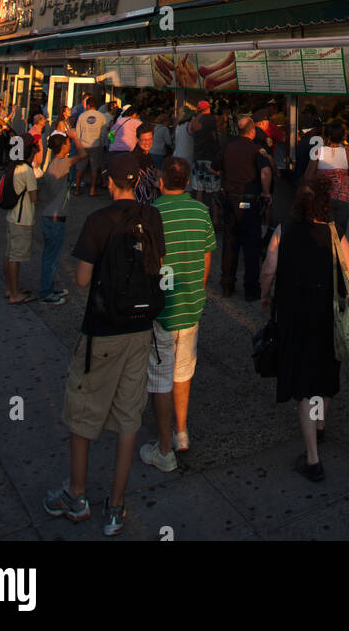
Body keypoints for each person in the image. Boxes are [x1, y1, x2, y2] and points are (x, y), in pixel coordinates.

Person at [44, 153, 165, 536]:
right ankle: (116, 505)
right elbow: (157, 265)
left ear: (110, 183)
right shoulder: (152, 217)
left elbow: (81, 279)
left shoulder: (98, 221)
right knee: (129, 418)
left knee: (82, 412)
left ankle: (77, 495)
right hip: (141, 329)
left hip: (103, 331)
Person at [261, 177, 349, 481]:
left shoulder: (284, 231)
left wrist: (266, 296)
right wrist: (348, 297)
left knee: (303, 381)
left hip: (294, 314)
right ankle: (320, 425)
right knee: (325, 370)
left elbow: (268, 269)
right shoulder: (334, 233)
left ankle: (313, 458)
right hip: (326, 312)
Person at [141, 156, 216, 471]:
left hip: (162, 308)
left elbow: (146, 263)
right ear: (187, 182)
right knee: (183, 370)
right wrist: (197, 291)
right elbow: (206, 255)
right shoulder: (200, 211)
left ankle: (163, 448)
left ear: (160, 181)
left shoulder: (152, 213)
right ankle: (181, 431)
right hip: (191, 304)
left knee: (160, 378)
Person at [218, 115, 272, 300]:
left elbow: (214, 167)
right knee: (251, 247)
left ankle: (227, 285)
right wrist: (266, 193)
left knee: (230, 245)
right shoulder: (257, 150)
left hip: (230, 200)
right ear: (252, 131)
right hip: (250, 201)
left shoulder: (228, 147)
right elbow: (265, 171)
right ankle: (251, 290)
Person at [303, 117, 349, 238]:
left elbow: (307, 177)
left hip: (324, 198)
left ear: (327, 137)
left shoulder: (318, 151)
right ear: (341, 137)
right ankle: (339, 255)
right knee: (339, 234)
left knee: (324, 233)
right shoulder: (347, 152)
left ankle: (327, 255)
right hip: (344, 199)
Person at [36, 131, 72, 305]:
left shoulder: (53, 163)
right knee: (51, 256)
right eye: (67, 142)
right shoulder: (61, 163)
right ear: (63, 146)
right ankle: (45, 292)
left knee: (51, 255)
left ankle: (49, 286)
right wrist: (75, 136)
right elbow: (82, 155)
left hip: (49, 215)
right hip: (55, 217)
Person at [4, 136, 40, 304]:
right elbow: (34, 196)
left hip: (12, 215)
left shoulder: (12, 167)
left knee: (10, 254)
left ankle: (11, 287)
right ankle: (14, 294)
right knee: (16, 257)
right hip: (22, 217)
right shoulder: (26, 170)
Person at [188, 99, 222, 226]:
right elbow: (217, 131)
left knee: (199, 189)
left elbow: (191, 132)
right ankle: (215, 219)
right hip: (211, 159)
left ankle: (199, 216)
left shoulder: (194, 121)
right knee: (213, 191)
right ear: (208, 108)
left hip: (198, 158)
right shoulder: (211, 119)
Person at [71, 95, 109, 196]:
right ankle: (92, 190)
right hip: (96, 146)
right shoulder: (101, 116)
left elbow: (78, 132)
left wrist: (78, 144)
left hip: (83, 145)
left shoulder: (82, 116)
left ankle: (77, 188)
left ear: (88, 105)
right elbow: (104, 132)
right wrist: (102, 143)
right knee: (94, 168)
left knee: (79, 168)